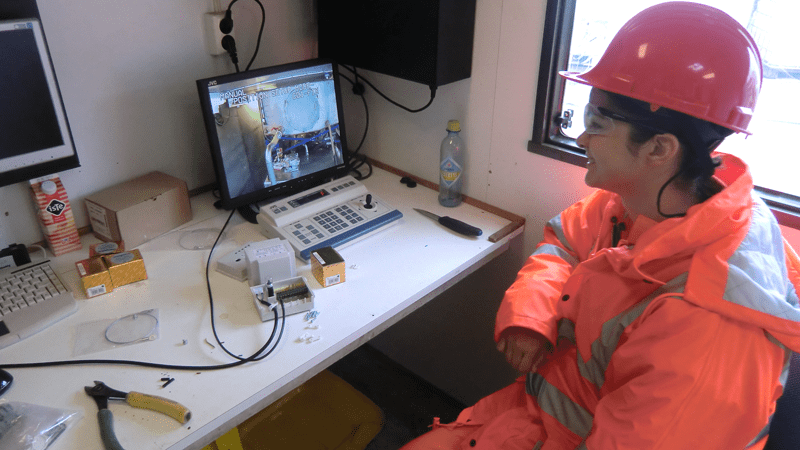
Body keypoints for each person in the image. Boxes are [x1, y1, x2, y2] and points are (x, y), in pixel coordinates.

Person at [400, 2, 800, 449]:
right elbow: (564, 242)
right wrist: (532, 315)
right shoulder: (652, 200)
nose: (581, 137)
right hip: (540, 412)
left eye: (596, 122)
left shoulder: (707, 333)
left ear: (659, 148)